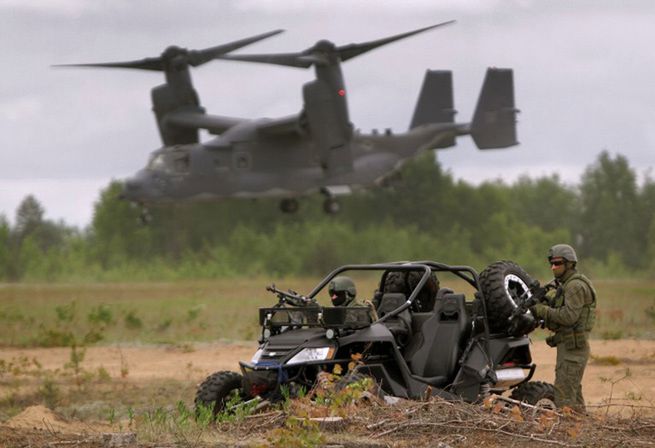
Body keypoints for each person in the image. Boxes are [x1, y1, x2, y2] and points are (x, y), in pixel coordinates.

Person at [531, 244, 597, 412]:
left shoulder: (574, 286)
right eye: (551, 263)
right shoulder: (566, 285)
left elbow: (569, 317)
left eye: (558, 263)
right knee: (573, 397)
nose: (553, 267)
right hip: (570, 347)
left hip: (573, 350)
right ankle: (582, 430)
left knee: (564, 399)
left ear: (569, 264)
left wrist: (542, 310)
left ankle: (570, 434)